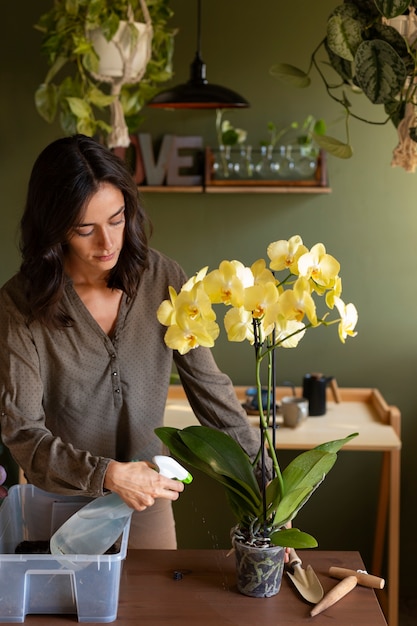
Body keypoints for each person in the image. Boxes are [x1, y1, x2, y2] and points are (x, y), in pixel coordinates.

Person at [0, 134, 266, 550]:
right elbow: (22, 433)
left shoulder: (164, 280)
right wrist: (107, 473)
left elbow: (212, 394)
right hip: (60, 501)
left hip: (147, 499)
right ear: (53, 229)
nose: (107, 244)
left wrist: (271, 492)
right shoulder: (20, 304)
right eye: (85, 228)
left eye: (117, 219)